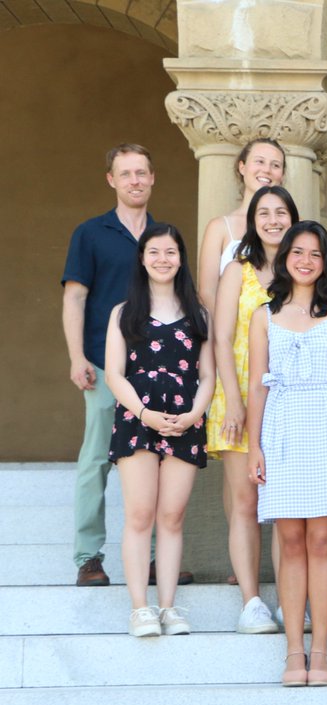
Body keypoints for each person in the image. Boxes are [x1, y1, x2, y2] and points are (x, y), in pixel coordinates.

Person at [62, 144, 193, 587]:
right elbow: (75, 297)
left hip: (162, 375)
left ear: (153, 178)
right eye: (126, 173)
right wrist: (78, 356)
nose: (134, 180)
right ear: (111, 180)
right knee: (97, 459)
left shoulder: (163, 237)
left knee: (161, 459)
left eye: (142, 172)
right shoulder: (90, 233)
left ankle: (156, 558)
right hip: (106, 368)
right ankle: (88, 556)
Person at [246, 221, 327, 687]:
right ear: (285, 258)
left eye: (315, 254)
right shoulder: (263, 315)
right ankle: (294, 650)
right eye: (298, 252)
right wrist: (254, 445)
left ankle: (321, 649)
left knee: (322, 542)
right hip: (282, 428)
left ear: (326, 261)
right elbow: (258, 383)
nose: (306, 261)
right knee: (291, 541)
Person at [105, 224, 214, 636]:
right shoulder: (123, 311)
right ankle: (140, 608)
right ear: (142, 258)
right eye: (154, 252)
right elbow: (115, 374)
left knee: (172, 516)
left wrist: (193, 415)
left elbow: (208, 376)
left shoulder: (198, 312)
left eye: (170, 252)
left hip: (185, 421)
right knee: (139, 514)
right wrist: (144, 412)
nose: (163, 259)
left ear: (180, 258)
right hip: (138, 419)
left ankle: (168, 607)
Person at [209, 185, 299, 634]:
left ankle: (287, 599)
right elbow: (221, 339)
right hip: (238, 400)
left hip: (290, 403)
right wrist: (235, 401)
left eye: (281, 212)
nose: (272, 220)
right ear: (253, 220)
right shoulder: (236, 271)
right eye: (264, 212)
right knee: (245, 502)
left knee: (283, 505)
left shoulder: (303, 270)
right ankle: (251, 601)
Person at [197, 138, 286, 311]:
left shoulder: (288, 225)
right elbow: (207, 292)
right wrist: (222, 334)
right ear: (242, 167)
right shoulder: (220, 227)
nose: (267, 170)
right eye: (259, 161)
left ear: (281, 175)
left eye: (275, 165)